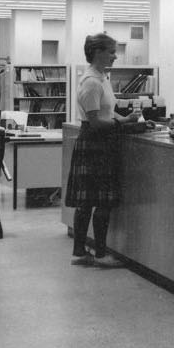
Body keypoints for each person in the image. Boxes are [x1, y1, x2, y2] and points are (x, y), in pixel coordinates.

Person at [65, 33, 144, 264]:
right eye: (112, 52)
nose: (115, 56)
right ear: (98, 53)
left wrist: (128, 118)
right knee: (97, 201)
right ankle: (95, 253)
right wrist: (125, 121)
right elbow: (96, 121)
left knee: (92, 201)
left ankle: (87, 251)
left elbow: (107, 112)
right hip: (95, 142)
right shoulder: (91, 82)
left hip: (100, 142)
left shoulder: (101, 78)